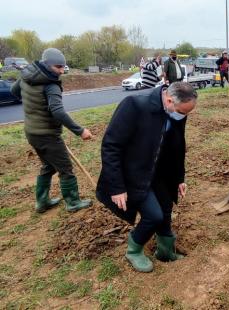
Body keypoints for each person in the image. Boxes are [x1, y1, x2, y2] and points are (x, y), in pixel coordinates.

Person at [96, 82, 197, 272]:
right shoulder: (134, 105)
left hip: (160, 172)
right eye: (182, 112)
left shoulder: (177, 112)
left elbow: (177, 147)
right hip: (133, 175)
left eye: (186, 114)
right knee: (153, 216)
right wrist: (117, 186)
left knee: (166, 209)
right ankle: (134, 250)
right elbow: (111, 146)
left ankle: (165, 250)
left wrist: (179, 178)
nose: (183, 117)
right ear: (168, 100)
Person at [10, 48, 93, 213]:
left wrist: (32, 106)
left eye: (63, 67)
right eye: (58, 67)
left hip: (32, 133)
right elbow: (58, 112)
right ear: (47, 65)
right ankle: (73, 202)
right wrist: (80, 131)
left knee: (48, 165)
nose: (62, 71)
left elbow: (14, 91)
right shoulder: (50, 85)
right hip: (47, 135)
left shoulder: (26, 76)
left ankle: (42, 202)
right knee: (65, 169)